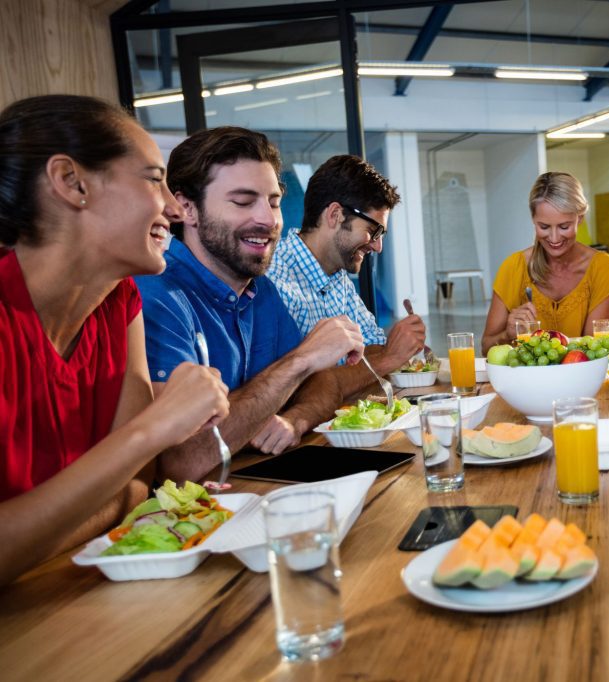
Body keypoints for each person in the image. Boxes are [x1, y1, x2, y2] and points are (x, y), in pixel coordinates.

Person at [0, 95, 230, 586]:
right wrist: (154, 427)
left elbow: (137, 483)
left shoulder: (119, 301)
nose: (173, 207)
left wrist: (36, 534)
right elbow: (128, 481)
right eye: (153, 179)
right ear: (71, 183)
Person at [136, 127, 365, 478]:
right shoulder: (156, 298)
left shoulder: (262, 292)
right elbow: (182, 461)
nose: (269, 220)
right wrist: (300, 360)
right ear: (187, 209)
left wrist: (294, 419)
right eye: (243, 202)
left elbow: (322, 383)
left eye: (273, 202)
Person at [266, 154, 425, 386]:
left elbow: (371, 346)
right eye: (373, 231)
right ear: (335, 215)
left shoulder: (338, 277)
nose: (378, 247)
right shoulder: (275, 283)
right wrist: (390, 356)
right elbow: (299, 388)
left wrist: (398, 344)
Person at [482, 172, 609, 350]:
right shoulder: (513, 267)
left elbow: (590, 350)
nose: (554, 238)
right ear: (533, 220)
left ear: (580, 218)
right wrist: (507, 335)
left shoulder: (604, 268)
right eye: (544, 227)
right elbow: (486, 346)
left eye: (564, 226)